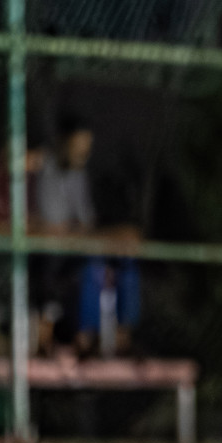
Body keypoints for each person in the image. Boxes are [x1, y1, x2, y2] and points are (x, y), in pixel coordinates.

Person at [36, 116, 140, 355]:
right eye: (78, 146)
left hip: (77, 243)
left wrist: (112, 235)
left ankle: (124, 333)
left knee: (126, 255)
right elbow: (56, 226)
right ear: (63, 143)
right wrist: (83, 233)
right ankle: (85, 336)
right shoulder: (46, 168)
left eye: (87, 147)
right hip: (50, 250)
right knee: (92, 262)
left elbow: (85, 223)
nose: (84, 153)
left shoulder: (78, 174)